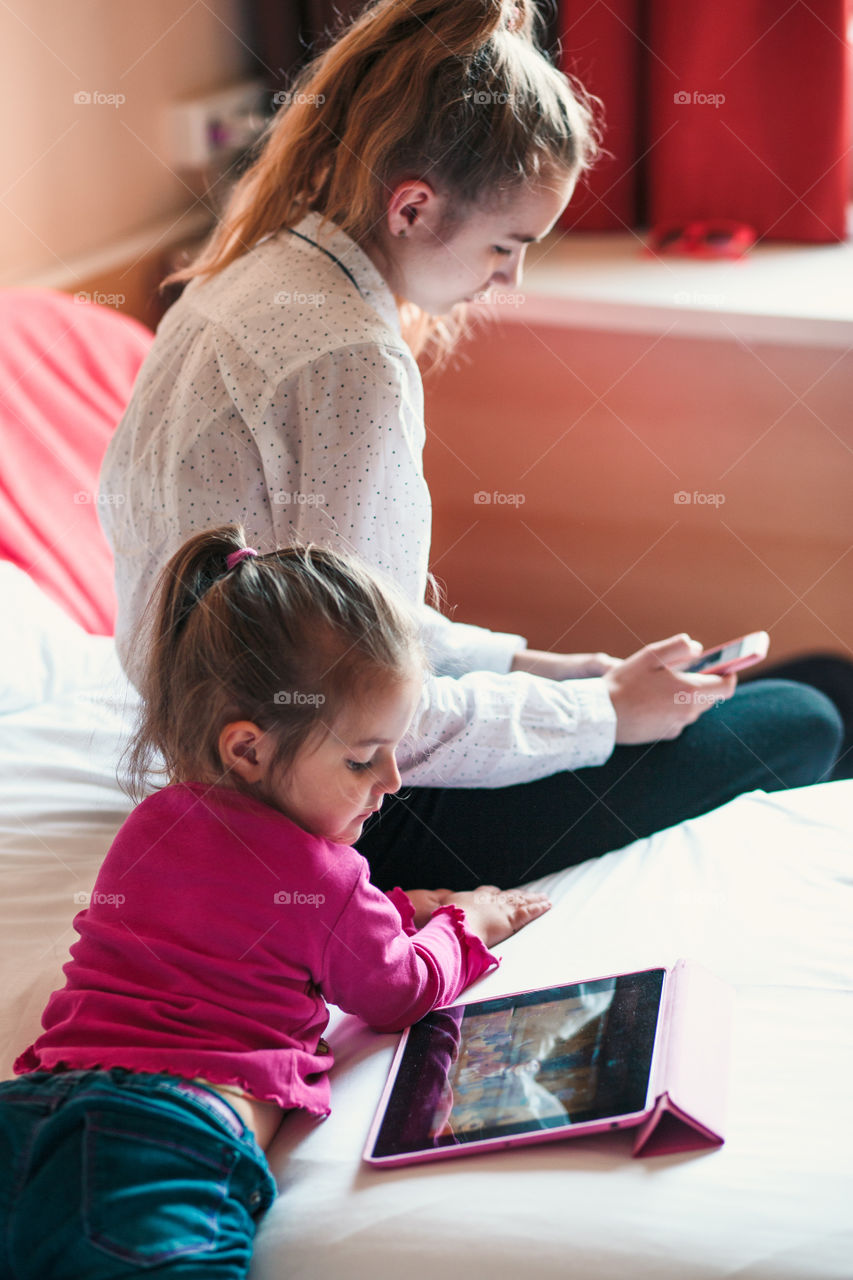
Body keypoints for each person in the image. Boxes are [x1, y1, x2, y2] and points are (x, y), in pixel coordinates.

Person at [98, 0, 844, 894]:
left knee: (799, 685)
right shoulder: (349, 360)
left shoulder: (240, 279)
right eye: (504, 244)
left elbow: (340, 616)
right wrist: (601, 713)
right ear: (413, 207)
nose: (509, 277)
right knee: (808, 712)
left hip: (243, 754)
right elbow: (374, 712)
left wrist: (547, 669)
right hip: (332, 801)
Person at [0, 523, 550, 1277]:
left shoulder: (152, 824)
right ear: (249, 748)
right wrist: (469, 924)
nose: (392, 781)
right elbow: (398, 991)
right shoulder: (326, 877)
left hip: (32, 1106)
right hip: (162, 1140)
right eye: (362, 759)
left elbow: (237, 922)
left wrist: (394, 911)